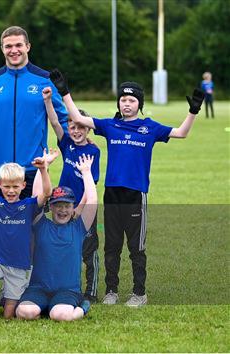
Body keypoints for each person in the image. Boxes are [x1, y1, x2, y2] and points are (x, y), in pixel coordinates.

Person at [50, 69, 205, 307]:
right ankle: (111, 291)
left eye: (132, 100)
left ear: (139, 103)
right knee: (112, 246)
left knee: (136, 247)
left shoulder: (150, 127)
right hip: (112, 193)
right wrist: (64, 92)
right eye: (123, 99)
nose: (127, 104)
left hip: (135, 194)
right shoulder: (111, 125)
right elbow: (78, 119)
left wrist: (193, 111)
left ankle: (139, 293)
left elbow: (182, 133)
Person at [0, 25, 68, 199]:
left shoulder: (45, 80)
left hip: (34, 166)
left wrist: (75, 144)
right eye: (8, 46)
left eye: (18, 45)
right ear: (2, 49)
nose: (14, 50)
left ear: (28, 46)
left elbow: (62, 119)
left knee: (34, 222)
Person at [0, 149, 55, 324]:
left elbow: (47, 193)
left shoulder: (29, 205)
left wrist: (44, 169)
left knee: (9, 315)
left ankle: (9, 297)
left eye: (15, 186)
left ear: (23, 185)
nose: (11, 191)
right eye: (7, 186)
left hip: (19, 267)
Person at [16, 155, 97, 322]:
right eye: (58, 205)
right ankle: (47, 306)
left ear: (73, 207)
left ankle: (82, 307)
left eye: (67, 206)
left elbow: (92, 200)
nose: (63, 210)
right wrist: (42, 168)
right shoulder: (41, 224)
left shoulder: (78, 228)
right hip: (39, 288)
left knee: (60, 315)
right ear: (51, 206)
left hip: (67, 290)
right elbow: (37, 195)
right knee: (24, 313)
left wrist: (86, 172)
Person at [43, 86, 101, 302]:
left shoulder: (93, 151)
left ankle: (92, 291)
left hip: (84, 208)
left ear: (88, 130)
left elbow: (90, 186)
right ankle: (62, 286)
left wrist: (80, 208)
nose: (76, 131)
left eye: (80, 128)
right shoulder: (67, 144)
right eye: (72, 127)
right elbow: (55, 123)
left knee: (89, 249)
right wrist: (48, 101)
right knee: (61, 247)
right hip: (61, 205)